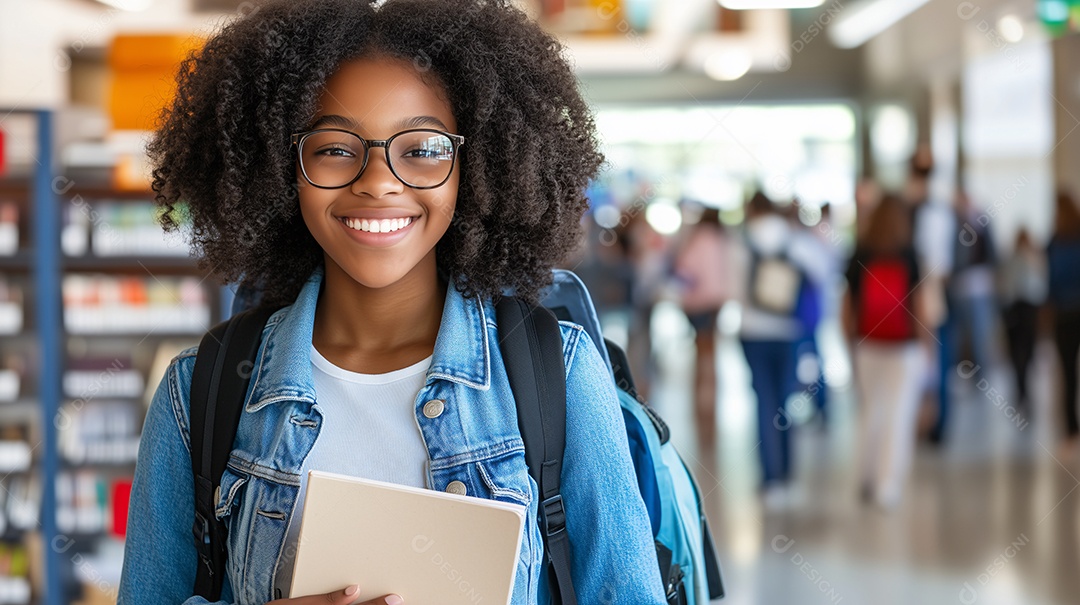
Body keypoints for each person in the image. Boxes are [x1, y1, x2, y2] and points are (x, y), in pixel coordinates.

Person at [117, 2, 666, 604]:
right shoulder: (199, 394)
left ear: (475, 166)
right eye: (334, 148)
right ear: (280, 170)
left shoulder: (555, 373)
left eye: (423, 149)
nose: (378, 181)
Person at [735, 192, 824, 507]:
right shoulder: (796, 240)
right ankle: (788, 476)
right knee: (786, 401)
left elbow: (732, 291)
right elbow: (823, 273)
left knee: (764, 402)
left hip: (752, 333)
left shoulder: (741, 242)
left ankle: (770, 479)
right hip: (789, 332)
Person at [843, 194, 931, 510]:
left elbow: (848, 307)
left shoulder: (860, 252)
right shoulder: (910, 255)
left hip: (868, 343)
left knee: (871, 411)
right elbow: (920, 308)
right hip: (903, 346)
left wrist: (849, 343)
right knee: (899, 414)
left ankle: (864, 477)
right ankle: (887, 485)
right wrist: (928, 345)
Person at [673, 207, 731, 447]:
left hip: (696, 305)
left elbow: (683, 271)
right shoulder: (723, 241)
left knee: (699, 355)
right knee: (712, 355)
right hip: (715, 304)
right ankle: (712, 402)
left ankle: (700, 403)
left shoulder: (695, 240)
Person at [1048, 190, 1080, 457]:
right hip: (1066, 314)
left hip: (1065, 315)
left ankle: (1071, 433)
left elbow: (1049, 284)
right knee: (1068, 375)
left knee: (1068, 376)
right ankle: (1071, 431)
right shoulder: (1054, 241)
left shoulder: (1055, 242)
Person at [999, 229, 1047, 409]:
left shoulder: (1013, 260)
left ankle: (1022, 390)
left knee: (1018, 354)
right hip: (1025, 310)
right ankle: (1023, 390)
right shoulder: (1030, 259)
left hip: (1016, 310)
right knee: (1025, 352)